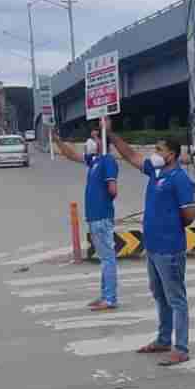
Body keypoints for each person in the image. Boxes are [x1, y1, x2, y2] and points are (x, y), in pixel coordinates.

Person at [109, 132, 195, 365]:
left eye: (160, 149)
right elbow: (132, 155)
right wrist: (112, 136)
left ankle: (181, 348)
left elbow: (189, 215)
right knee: (160, 295)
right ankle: (163, 339)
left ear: (172, 154)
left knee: (176, 298)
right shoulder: (156, 172)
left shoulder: (180, 179)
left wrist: (169, 224)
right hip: (154, 247)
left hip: (170, 248)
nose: (155, 153)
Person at [54, 118, 120, 311]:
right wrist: (58, 141)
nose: (91, 141)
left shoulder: (108, 161)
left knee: (108, 258)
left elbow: (113, 190)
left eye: (95, 138)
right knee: (104, 258)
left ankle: (110, 298)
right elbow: (72, 155)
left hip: (101, 217)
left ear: (102, 141)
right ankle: (105, 295)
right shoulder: (95, 160)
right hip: (95, 217)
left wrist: (102, 199)